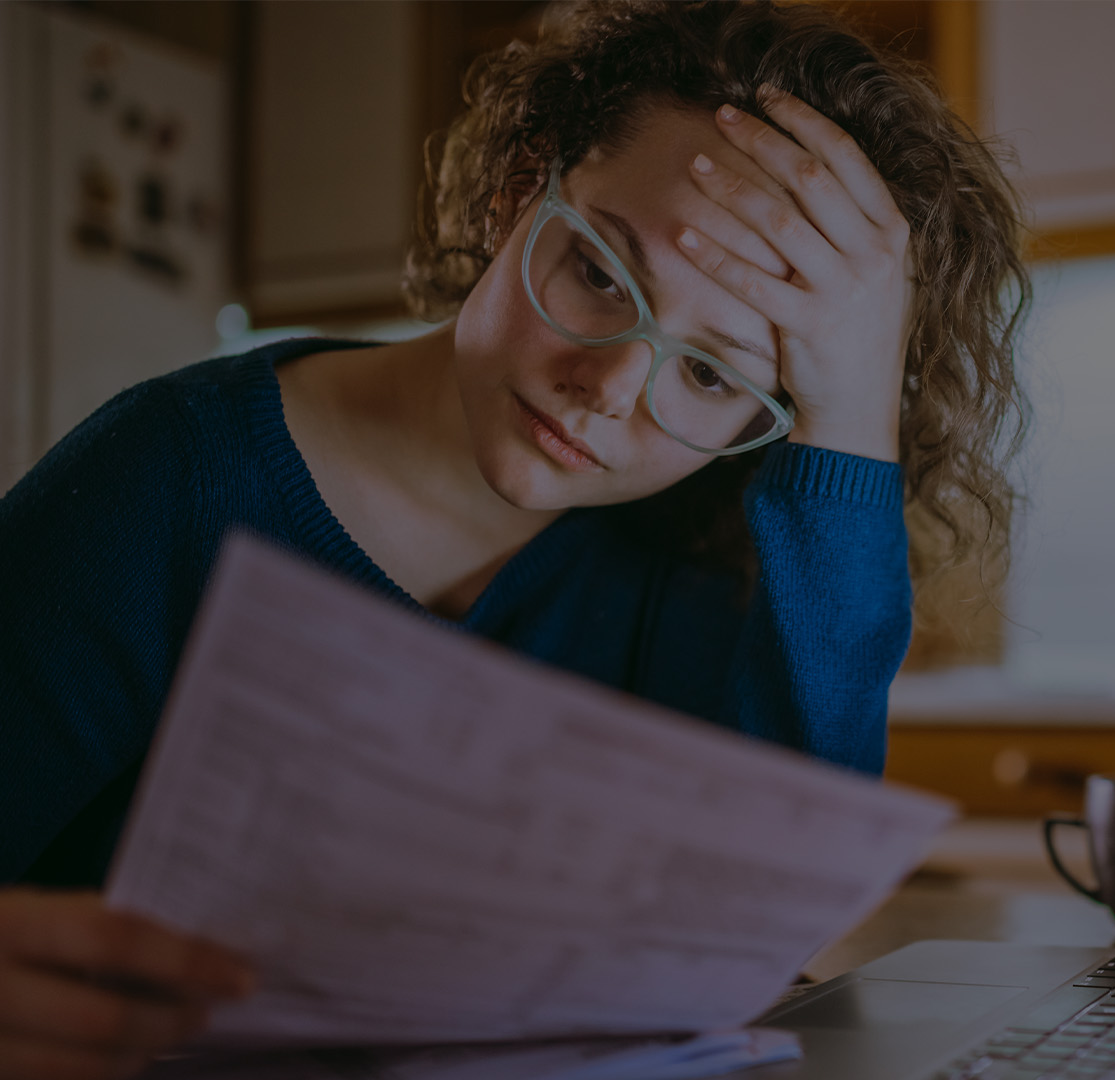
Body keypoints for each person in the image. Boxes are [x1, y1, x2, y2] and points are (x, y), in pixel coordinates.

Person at [0, 2, 1029, 1075]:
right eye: (598, 271)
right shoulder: (169, 477)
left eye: (713, 373)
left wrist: (856, 418)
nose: (607, 392)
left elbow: (762, 925)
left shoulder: (690, 561)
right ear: (516, 191)